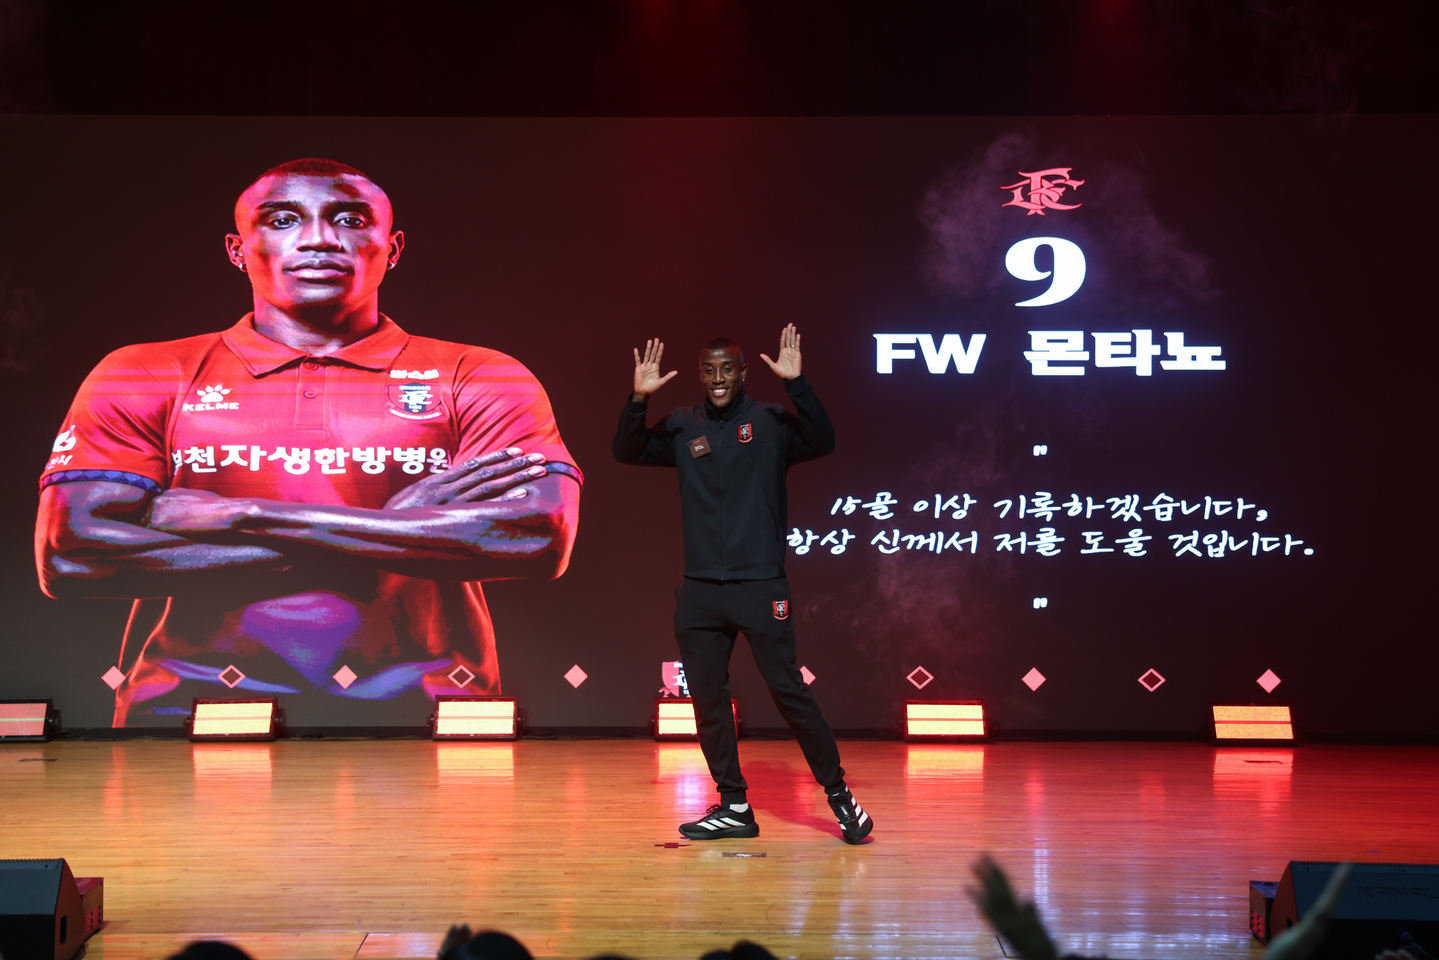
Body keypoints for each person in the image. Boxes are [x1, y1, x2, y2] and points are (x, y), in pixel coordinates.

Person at [35, 158, 581, 726]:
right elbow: (70, 558)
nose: (319, 238)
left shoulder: (480, 374)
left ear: (390, 248)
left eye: (348, 219)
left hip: (428, 714)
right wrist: (393, 526)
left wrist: (240, 514)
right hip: (186, 712)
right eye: (282, 220)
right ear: (237, 248)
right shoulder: (145, 370)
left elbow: (536, 540)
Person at [613, 325, 872, 844]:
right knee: (708, 701)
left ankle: (841, 796)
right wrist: (638, 398)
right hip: (701, 591)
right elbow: (627, 449)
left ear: (742, 373)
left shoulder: (772, 422)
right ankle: (734, 806)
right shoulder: (685, 426)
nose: (717, 379)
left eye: (726, 370)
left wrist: (798, 385)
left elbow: (824, 439)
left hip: (760, 586)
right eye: (708, 371)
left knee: (789, 693)